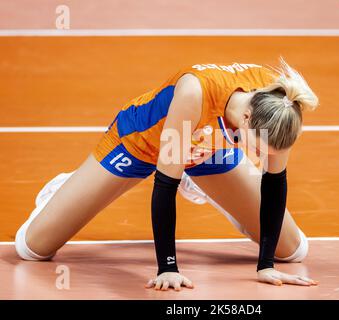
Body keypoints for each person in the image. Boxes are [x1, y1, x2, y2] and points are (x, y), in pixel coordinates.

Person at [15, 58, 319, 291]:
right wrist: (168, 268)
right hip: (140, 143)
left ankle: (206, 182)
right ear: (245, 118)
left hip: (207, 148)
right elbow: (164, 185)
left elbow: (275, 182)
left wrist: (264, 265)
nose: (262, 157)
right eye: (257, 149)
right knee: (32, 248)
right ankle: (65, 189)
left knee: (292, 250)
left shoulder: (281, 108)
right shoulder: (195, 94)